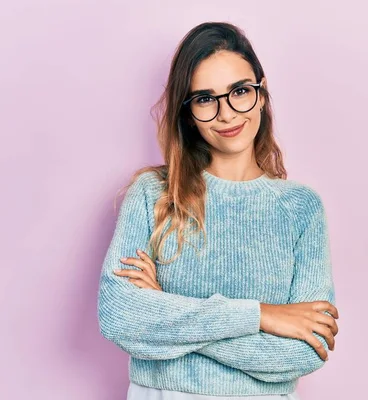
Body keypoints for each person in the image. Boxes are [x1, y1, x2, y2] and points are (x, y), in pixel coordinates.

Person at [97, 21, 340, 399]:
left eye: (240, 91)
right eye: (206, 99)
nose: (226, 114)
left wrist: (166, 311)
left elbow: (304, 350)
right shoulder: (153, 195)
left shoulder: (301, 209)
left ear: (261, 93)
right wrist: (261, 316)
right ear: (188, 111)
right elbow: (120, 316)